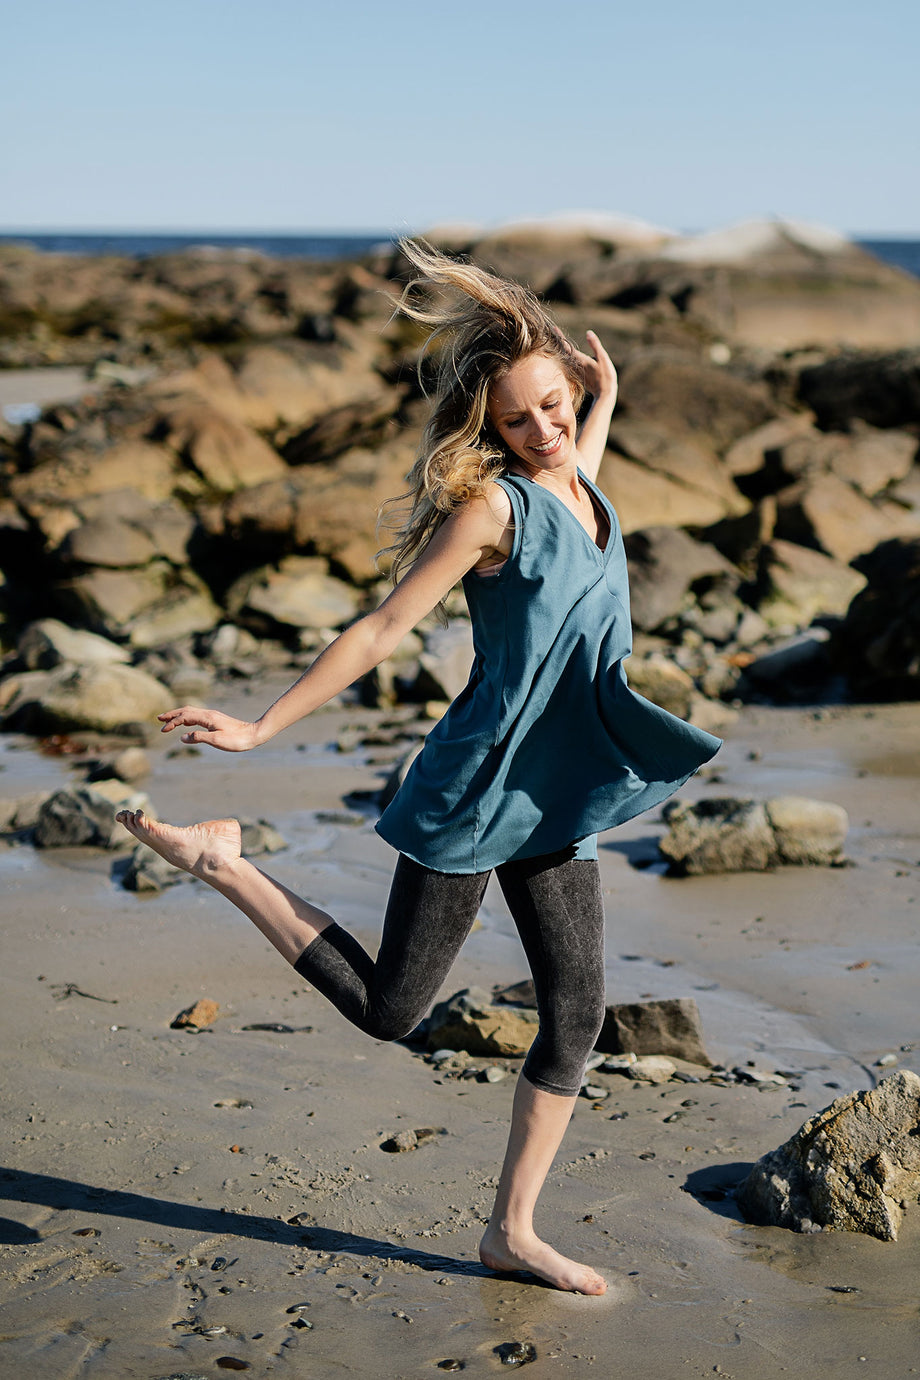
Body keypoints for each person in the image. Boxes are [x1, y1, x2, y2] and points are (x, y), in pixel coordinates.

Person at [117, 239, 721, 1296]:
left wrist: (602, 398)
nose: (544, 428)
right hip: (479, 781)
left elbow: (579, 469)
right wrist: (260, 727)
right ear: (487, 427)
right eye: (519, 417)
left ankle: (510, 1232)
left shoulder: (580, 475)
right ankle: (224, 863)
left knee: (575, 1014)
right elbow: (384, 624)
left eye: (554, 404)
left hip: (553, 789)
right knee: (395, 1010)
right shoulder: (492, 509)